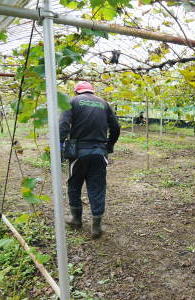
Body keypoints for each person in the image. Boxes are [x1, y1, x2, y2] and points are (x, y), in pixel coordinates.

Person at [59, 81, 120, 239]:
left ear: (76, 92)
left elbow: (64, 125)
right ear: (92, 91)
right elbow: (116, 127)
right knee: (97, 187)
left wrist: (60, 146)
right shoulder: (104, 103)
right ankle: (96, 227)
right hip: (99, 152)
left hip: (78, 151)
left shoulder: (72, 101)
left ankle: (76, 220)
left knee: (74, 184)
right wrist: (110, 145)